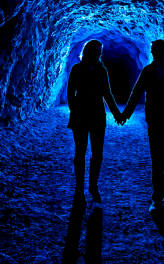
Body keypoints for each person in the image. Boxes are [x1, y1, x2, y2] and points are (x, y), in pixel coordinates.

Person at [121, 39, 164, 212]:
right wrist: (126, 114)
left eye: (155, 50)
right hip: (154, 119)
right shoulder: (148, 70)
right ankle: (157, 197)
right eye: (152, 50)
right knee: (157, 157)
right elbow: (136, 92)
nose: (152, 52)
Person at [67, 39, 122, 203]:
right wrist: (75, 111)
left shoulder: (101, 69)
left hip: (98, 115)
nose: (100, 53)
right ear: (89, 51)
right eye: (97, 50)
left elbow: (107, 93)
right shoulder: (77, 69)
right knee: (80, 152)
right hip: (81, 115)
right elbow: (71, 92)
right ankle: (79, 187)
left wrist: (116, 114)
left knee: (97, 154)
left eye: (101, 51)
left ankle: (92, 185)